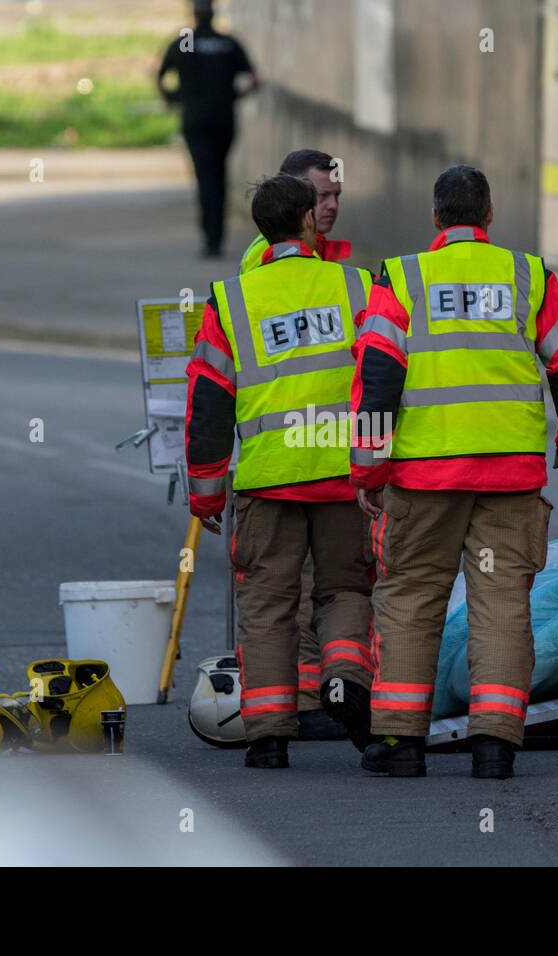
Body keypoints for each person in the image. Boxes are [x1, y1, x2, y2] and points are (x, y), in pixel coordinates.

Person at [348, 165, 558, 779]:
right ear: (489, 216)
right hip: (510, 482)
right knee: (501, 606)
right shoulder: (528, 276)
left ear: (436, 218)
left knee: (409, 600)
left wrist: (368, 470)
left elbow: (378, 377)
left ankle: (400, 746)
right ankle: (494, 746)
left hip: (423, 481)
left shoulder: (404, 277)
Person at [184, 174, 376, 769]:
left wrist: (206, 496)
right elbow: (386, 377)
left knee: (266, 603)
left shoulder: (233, 298)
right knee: (345, 587)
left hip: (267, 480)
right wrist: (379, 468)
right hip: (342, 476)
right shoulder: (357, 286)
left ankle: (267, 736)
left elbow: (209, 402)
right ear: (308, 221)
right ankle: (344, 674)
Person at [239, 147, 354, 742]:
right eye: (320, 199)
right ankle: (315, 697)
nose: (329, 208)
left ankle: (281, 720)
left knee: (280, 598)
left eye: (336, 196)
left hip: (281, 469)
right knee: (321, 591)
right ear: (299, 211)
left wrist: (206, 486)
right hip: (322, 467)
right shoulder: (263, 276)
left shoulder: (339, 269)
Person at [157, 0, 258, 258]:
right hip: (224, 120)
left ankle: (210, 239)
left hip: (195, 121)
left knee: (204, 177)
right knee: (220, 174)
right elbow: (254, 79)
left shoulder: (183, 42)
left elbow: (160, 77)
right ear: (214, 14)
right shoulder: (228, 43)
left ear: (194, 14)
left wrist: (172, 98)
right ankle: (217, 236)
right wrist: (234, 96)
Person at [240, 149, 350, 274]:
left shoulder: (290, 245)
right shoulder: (270, 252)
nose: (333, 205)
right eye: (323, 195)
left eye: (336, 195)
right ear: (289, 191)